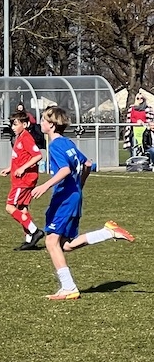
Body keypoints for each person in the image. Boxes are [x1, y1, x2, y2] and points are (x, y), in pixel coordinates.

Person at [31, 106, 135, 300]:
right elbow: (87, 164)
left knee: (51, 241)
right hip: (74, 196)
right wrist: (80, 185)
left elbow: (64, 170)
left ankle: (68, 287)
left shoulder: (55, 145)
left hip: (64, 198)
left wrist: (44, 186)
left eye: (44, 120)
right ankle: (107, 232)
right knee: (65, 245)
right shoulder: (67, 143)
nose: (41, 123)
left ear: (52, 125)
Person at [1, 110, 45, 250]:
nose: (13, 127)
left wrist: (23, 168)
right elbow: (21, 158)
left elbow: (37, 155)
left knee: (10, 207)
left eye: (15, 124)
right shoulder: (19, 137)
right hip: (22, 179)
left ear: (25, 125)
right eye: (12, 124)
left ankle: (34, 231)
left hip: (23, 180)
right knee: (22, 209)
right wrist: (10, 168)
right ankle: (29, 240)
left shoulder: (26, 137)